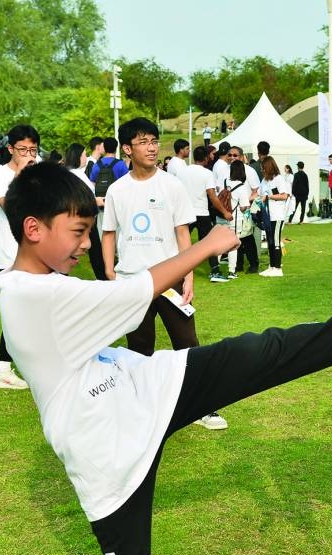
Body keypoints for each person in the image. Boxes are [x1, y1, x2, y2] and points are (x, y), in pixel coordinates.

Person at [0, 159, 332, 555]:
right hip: (108, 447)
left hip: (145, 388)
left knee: (257, 353)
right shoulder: (29, 296)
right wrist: (206, 244)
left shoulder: (42, 285)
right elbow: (131, 293)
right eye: (78, 231)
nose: (85, 244)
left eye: (88, 232)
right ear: (34, 229)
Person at [101, 117, 228, 431]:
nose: (152, 147)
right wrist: (109, 272)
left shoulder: (172, 185)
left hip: (170, 279)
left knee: (187, 343)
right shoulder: (118, 189)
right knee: (139, 350)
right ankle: (139, 409)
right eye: (143, 142)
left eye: (154, 141)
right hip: (133, 282)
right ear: (127, 149)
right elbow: (108, 234)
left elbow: (182, 232)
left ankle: (202, 406)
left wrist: (188, 274)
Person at [0, 124, 38, 391]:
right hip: (11, 255)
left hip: (39, 252)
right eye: (23, 149)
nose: (29, 155)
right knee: (18, 312)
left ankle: (6, 366)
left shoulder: (38, 172)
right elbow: (13, 208)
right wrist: (21, 173)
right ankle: (2, 368)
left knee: (33, 311)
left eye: (33, 149)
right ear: (10, 149)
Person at [177, 145, 229, 282]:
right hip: (201, 213)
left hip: (184, 213)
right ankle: (215, 271)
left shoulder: (182, 172)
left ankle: (177, 272)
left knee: (180, 243)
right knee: (208, 243)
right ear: (205, 158)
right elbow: (212, 196)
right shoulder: (207, 173)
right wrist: (225, 212)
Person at [63, 143, 107, 281]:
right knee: (96, 253)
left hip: (77, 220)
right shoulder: (76, 174)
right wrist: (97, 201)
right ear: (77, 157)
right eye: (84, 155)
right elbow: (82, 198)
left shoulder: (69, 174)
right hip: (84, 220)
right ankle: (104, 279)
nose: (86, 158)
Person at [221, 159, 257, 276]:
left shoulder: (225, 182)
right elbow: (243, 206)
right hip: (237, 218)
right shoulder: (241, 187)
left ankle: (216, 268)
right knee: (236, 243)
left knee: (221, 243)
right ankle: (232, 270)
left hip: (224, 216)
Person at [258, 156, 290, 277]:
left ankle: (278, 268)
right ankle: (271, 266)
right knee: (270, 242)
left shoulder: (279, 179)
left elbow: (284, 196)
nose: (262, 170)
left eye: (264, 168)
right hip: (267, 215)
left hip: (277, 215)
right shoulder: (264, 181)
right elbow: (261, 194)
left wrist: (269, 197)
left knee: (276, 241)